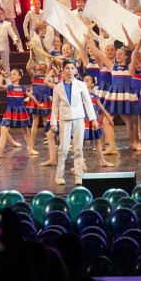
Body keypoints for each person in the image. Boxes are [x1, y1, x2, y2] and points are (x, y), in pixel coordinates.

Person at [50, 57, 97, 185]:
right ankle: (59, 175)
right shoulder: (58, 87)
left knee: (78, 148)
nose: (70, 71)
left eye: (72, 68)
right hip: (65, 119)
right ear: (63, 70)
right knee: (63, 148)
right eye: (67, 68)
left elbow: (88, 102)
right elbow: (55, 106)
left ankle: (79, 175)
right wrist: (53, 122)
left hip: (79, 118)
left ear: (75, 70)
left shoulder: (81, 85)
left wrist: (93, 119)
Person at [0, 67, 35, 157]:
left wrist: (38, 104)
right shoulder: (9, 87)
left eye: (14, 74)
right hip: (10, 110)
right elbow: (0, 85)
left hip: (21, 110)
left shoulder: (23, 88)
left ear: (20, 76)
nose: (12, 76)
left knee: (26, 130)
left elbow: (32, 97)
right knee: (3, 130)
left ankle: (31, 149)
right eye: (11, 74)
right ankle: (0, 153)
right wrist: (2, 75)